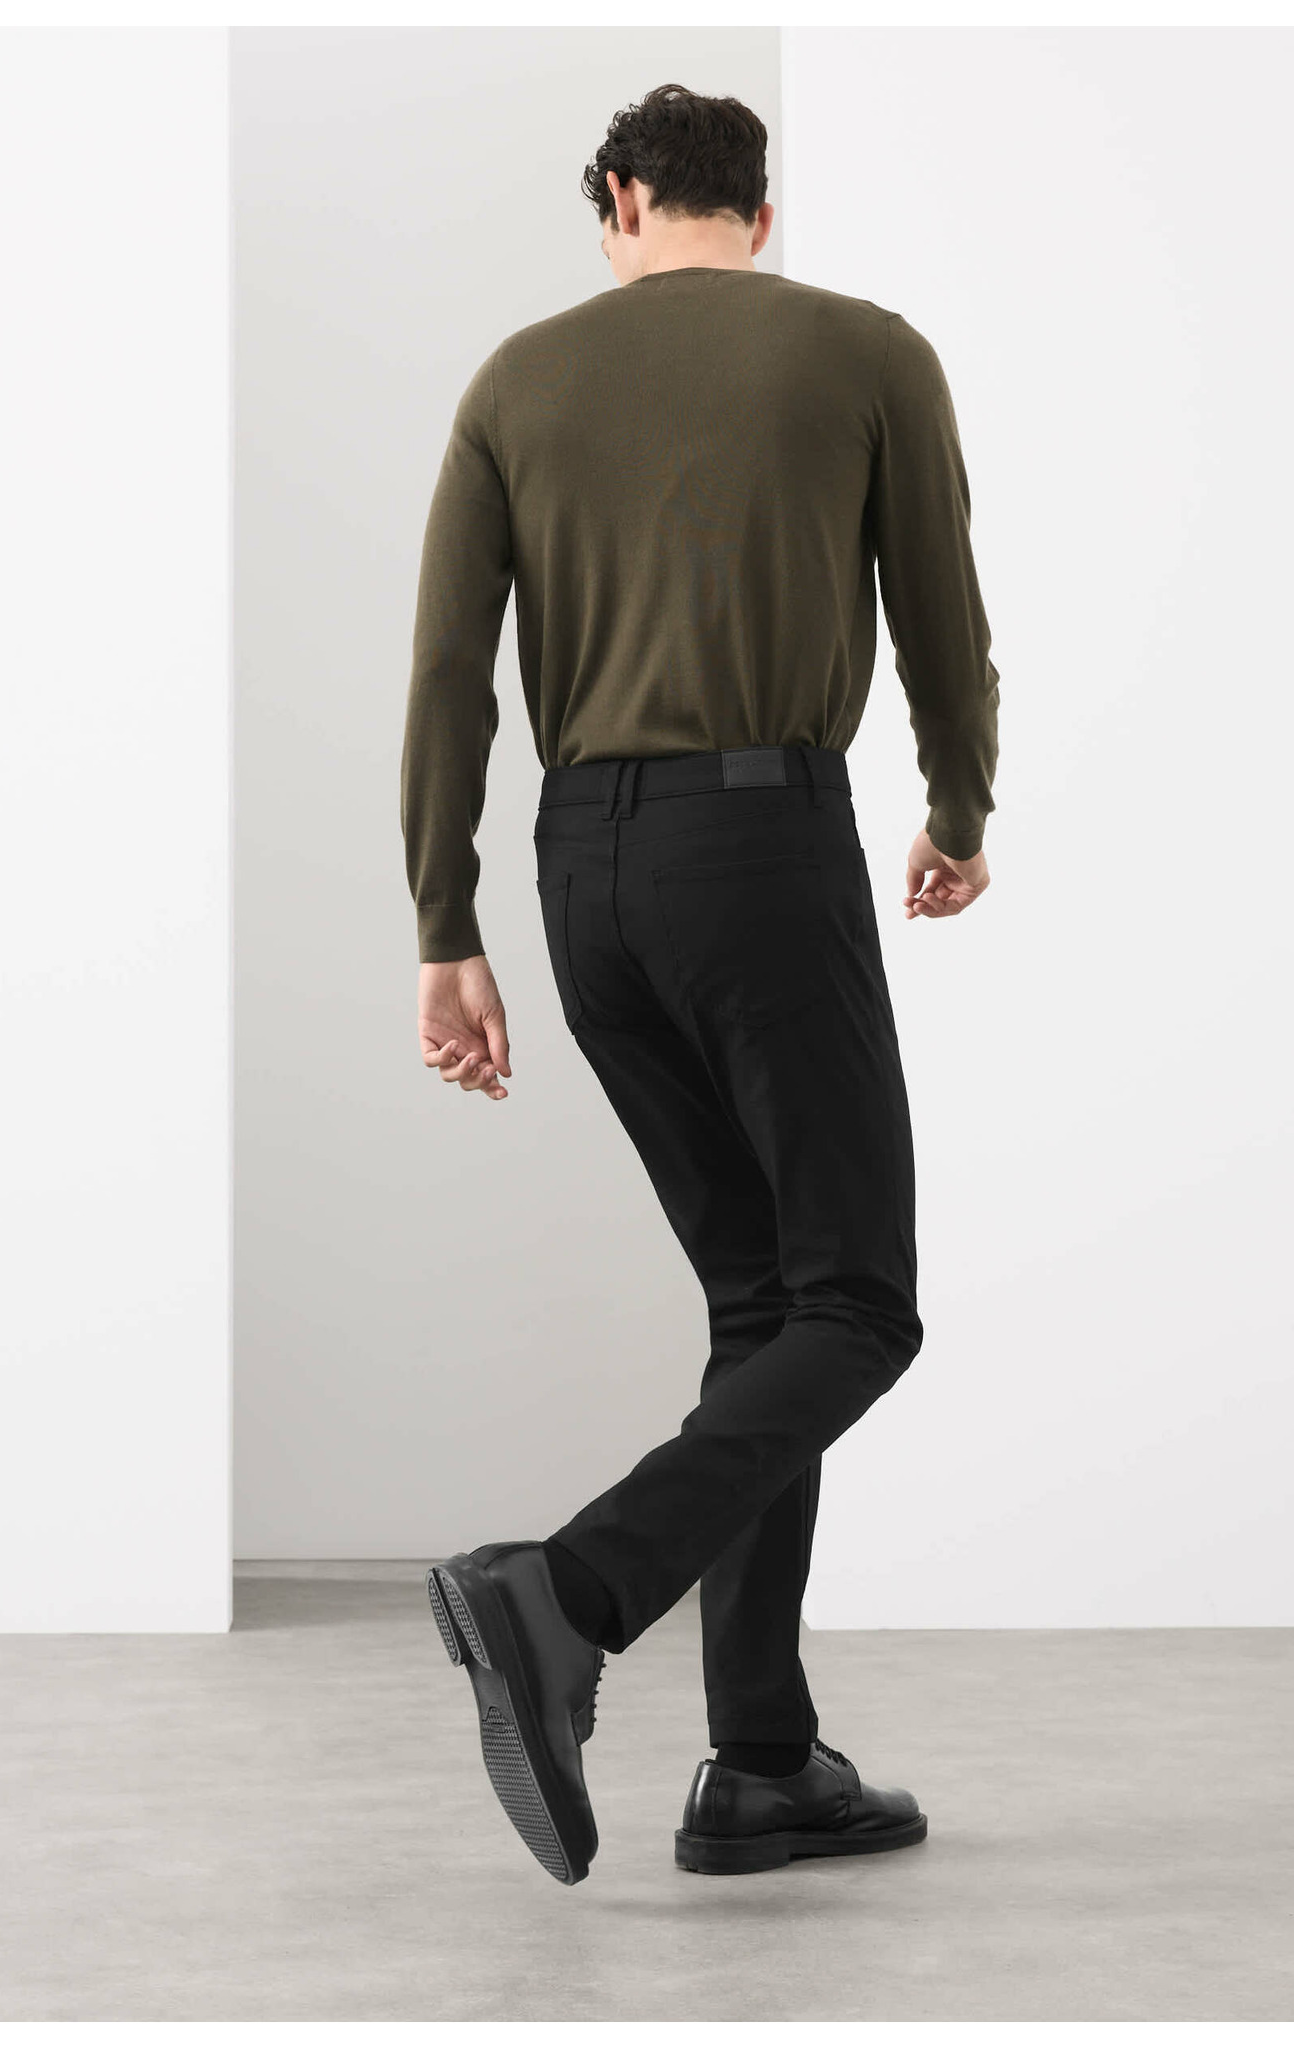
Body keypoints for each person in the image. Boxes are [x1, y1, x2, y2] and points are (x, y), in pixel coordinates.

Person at [400, 82, 999, 1886]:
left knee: (765, 1304)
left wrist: (445, 926)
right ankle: (567, 1596)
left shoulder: (517, 380)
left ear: (620, 199)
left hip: (583, 877)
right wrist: (958, 809)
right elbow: (941, 618)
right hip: (761, 846)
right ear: (759, 208)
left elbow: (449, 673)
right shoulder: (868, 352)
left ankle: (761, 1764)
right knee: (857, 1303)